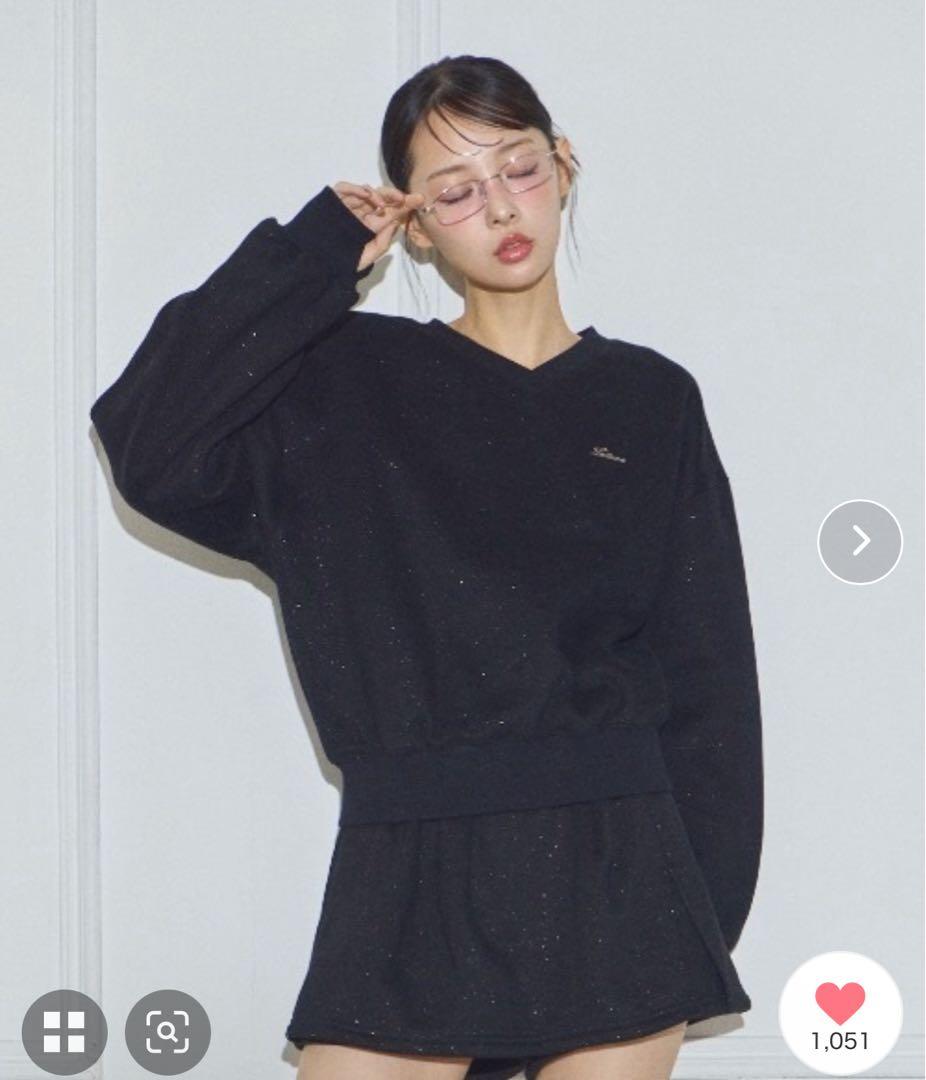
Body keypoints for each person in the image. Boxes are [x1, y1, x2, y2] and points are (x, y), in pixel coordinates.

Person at [89, 55, 763, 1080]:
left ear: (564, 165)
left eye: (519, 167)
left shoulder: (650, 398)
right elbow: (148, 438)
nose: (499, 206)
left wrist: (696, 918)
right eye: (454, 190)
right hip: (409, 862)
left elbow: (708, 674)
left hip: (619, 869)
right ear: (413, 224)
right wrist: (314, 255)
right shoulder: (342, 386)